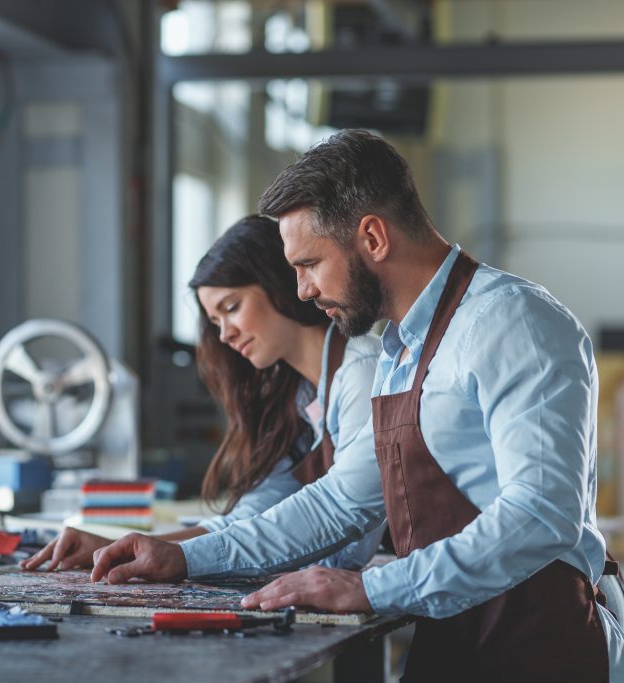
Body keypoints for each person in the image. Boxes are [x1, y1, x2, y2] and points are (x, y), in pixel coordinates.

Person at [90, 131, 624, 682]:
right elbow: (339, 504)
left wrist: (370, 588)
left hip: (542, 650)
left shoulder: (510, 323)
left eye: (309, 264)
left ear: (373, 238)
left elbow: (541, 514)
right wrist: (186, 558)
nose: (302, 290)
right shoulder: (400, 348)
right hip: (458, 641)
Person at [21, 215, 384, 572]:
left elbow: (347, 549)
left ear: (281, 284)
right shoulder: (295, 395)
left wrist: (185, 558)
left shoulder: (361, 372)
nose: (225, 334)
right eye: (215, 322)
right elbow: (251, 517)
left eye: (231, 308)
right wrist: (126, 548)